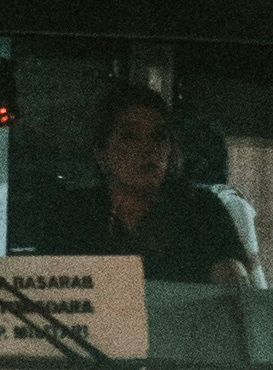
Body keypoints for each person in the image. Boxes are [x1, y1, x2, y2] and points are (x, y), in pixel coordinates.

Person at [41, 77, 255, 286]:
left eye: (159, 136)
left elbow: (236, 290)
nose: (148, 148)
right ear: (101, 152)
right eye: (130, 136)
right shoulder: (73, 214)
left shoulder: (200, 210)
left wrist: (230, 273)